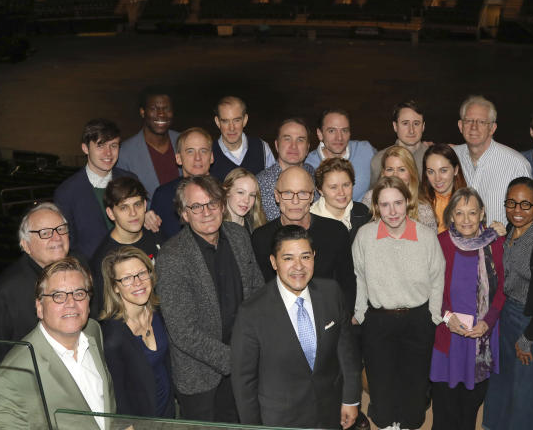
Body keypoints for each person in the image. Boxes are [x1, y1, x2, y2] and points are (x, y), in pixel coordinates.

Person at [155, 175, 264, 422]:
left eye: (212, 203)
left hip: (245, 366)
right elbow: (183, 331)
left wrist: (256, 346)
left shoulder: (239, 236)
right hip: (200, 376)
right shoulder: (172, 257)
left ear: (222, 205)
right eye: (196, 206)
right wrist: (236, 358)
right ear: (184, 214)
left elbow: (257, 291)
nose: (206, 212)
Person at [231, 225, 361, 429]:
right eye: (288, 258)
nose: (298, 266)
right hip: (280, 420)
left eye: (305, 257)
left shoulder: (331, 293)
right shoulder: (252, 312)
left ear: (314, 257)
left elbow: (347, 352)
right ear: (274, 262)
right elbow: (244, 382)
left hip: (330, 412)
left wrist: (351, 399)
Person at [0, 257, 115, 430]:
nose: (71, 303)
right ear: (39, 307)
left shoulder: (92, 331)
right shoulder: (15, 374)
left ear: (88, 302)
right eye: (58, 296)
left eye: (79, 293)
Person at [352, 176, 445, 430]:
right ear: (376, 207)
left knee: (415, 383)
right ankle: (386, 423)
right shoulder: (365, 236)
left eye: (397, 203)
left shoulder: (426, 237)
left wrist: (434, 316)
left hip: (418, 319)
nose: (392, 212)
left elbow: (438, 277)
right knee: (381, 383)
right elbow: (359, 277)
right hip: (379, 320)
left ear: (407, 202)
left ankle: (410, 424)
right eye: (384, 205)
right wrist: (360, 313)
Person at [481, 178, 533, 430]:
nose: (517, 210)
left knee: (528, 384)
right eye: (511, 203)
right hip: (508, 313)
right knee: (504, 376)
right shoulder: (511, 229)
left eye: (526, 204)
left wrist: (528, 338)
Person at [431, 187, 506, 430]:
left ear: (482, 213)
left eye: (472, 213)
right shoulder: (440, 243)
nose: (466, 220)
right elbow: (431, 288)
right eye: (459, 213)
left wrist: (488, 321)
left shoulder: (496, 243)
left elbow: (503, 288)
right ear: (451, 215)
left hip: (481, 337)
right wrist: (447, 316)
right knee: (445, 406)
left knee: (470, 406)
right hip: (448, 335)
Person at [0, 202, 71, 376]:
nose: (57, 238)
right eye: (45, 233)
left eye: (61, 229)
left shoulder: (80, 270)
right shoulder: (3, 293)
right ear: (25, 245)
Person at [252, 166, 356, 308]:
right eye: (288, 193)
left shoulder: (336, 232)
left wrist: (341, 322)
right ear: (276, 196)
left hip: (328, 319)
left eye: (302, 193)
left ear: (312, 196)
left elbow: (347, 284)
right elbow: (260, 290)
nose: (295, 201)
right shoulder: (261, 238)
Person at [99, 247, 175, 418]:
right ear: (115, 287)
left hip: (169, 412)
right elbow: (117, 395)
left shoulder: (158, 313)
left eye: (142, 273)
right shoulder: (113, 338)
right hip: (142, 420)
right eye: (126, 278)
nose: (137, 282)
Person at [54, 119, 140, 259]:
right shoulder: (66, 193)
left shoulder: (131, 180)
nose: (108, 153)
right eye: (100, 146)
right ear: (85, 148)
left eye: (113, 146)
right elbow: (69, 245)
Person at [452, 95, 532, 226]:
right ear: (460, 126)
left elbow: (529, 217)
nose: (474, 127)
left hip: (501, 245)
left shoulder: (516, 164)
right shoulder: (452, 157)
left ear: (492, 128)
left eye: (482, 122)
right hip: (458, 245)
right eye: (468, 121)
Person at [89, 177, 161, 311]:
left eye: (137, 205)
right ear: (111, 213)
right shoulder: (104, 259)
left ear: (145, 205)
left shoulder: (157, 236)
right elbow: (107, 311)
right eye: (124, 207)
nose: (133, 213)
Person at [149, 127, 215, 240]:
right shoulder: (163, 195)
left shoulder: (225, 191)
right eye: (190, 151)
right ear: (178, 158)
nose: (197, 158)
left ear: (212, 157)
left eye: (203, 151)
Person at [118, 89, 180, 198]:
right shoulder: (125, 153)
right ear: (143, 112)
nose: (161, 114)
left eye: (167, 109)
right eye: (154, 108)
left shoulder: (185, 141)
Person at [306, 109, 376, 202]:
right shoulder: (309, 165)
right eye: (331, 131)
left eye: (344, 130)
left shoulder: (366, 151)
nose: (339, 137)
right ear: (320, 134)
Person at [363, 146, 437, 231]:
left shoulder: (423, 208)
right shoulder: (370, 198)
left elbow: (431, 242)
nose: (395, 176)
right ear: (383, 173)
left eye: (401, 170)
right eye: (390, 169)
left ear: (411, 173)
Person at [256, 117, 316, 220]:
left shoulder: (312, 173)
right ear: (277, 145)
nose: (294, 146)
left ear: (307, 148)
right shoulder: (260, 183)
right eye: (287, 139)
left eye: (300, 140)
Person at [210, 96, 275, 180]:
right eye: (225, 121)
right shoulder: (208, 153)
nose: (231, 128)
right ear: (217, 122)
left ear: (245, 120)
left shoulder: (261, 148)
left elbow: (274, 185)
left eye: (237, 120)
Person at [369, 100, 429, 187]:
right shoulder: (379, 160)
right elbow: (373, 196)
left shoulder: (433, 158)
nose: (411, 130)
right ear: (395, 126)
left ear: (423, 127)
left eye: (416, 123)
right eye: (405, 123)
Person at [310, 157, 371, 235]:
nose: (341, 193)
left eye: (346, 185)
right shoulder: (310, 220)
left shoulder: (363, 213)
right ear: (320, 190)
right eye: (333, 187)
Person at [422, 143, 467, 233]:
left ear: (456, 170)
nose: (437, 178)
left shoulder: (470, 201)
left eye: (443, 170)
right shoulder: (419, 204)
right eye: (431, 172)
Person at [222, 167, 267, 233]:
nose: (246, 200)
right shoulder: (215, 228)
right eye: (240, 192)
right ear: (227, 192)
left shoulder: (258, 225)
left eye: (252, 195)